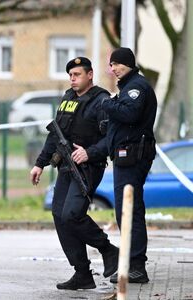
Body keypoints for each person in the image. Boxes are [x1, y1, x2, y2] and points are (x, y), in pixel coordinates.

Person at [29, 57, 120, 290]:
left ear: (90, 75)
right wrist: (40, 163)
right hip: (66, 167)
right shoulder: (68, 98)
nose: (72, 79)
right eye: (70, 75)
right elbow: (55, 133)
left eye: (77, 74)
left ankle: (108, 250)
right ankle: (82, 273)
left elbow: (112, 139)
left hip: (89, 168)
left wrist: (90, 153)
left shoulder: (101, 101)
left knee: (71, 214)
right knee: (59, 215)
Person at [102, 47, 157, 284]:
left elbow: (130, 115)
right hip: (126, 156)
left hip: (133, 157)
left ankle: (135, 266)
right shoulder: (128, 87)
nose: (113, 68)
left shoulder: (136, 87)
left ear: (128, 64)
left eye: (117, 64)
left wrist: (107, 104)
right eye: (111, 64)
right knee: (127, 211)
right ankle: (130, 263)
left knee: (130, 211)